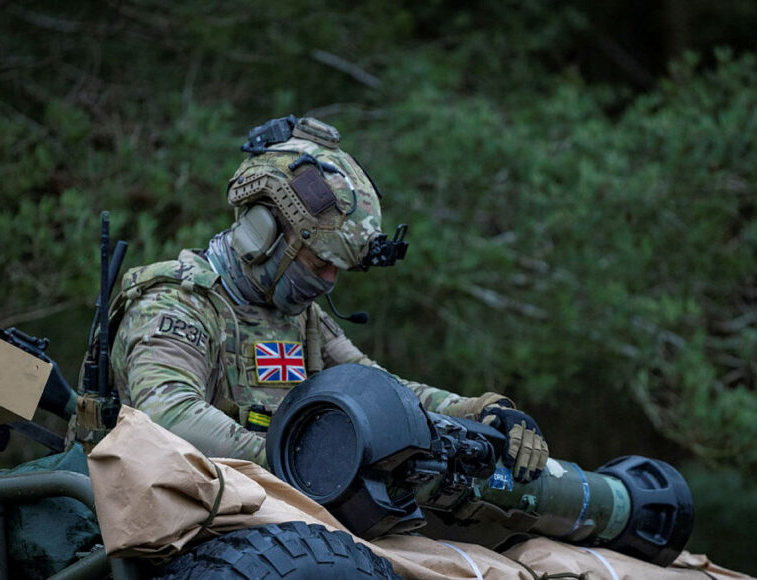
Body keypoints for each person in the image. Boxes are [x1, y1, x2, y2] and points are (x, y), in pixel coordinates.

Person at [108, 115, 549, 483]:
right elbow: (169, 417)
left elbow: (378, 389)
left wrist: (477, 411)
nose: (330, 279)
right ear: (262, 234)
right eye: (320, 261)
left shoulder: (303, 319)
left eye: (340, 267)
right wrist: (301, 463)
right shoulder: (173, 304)